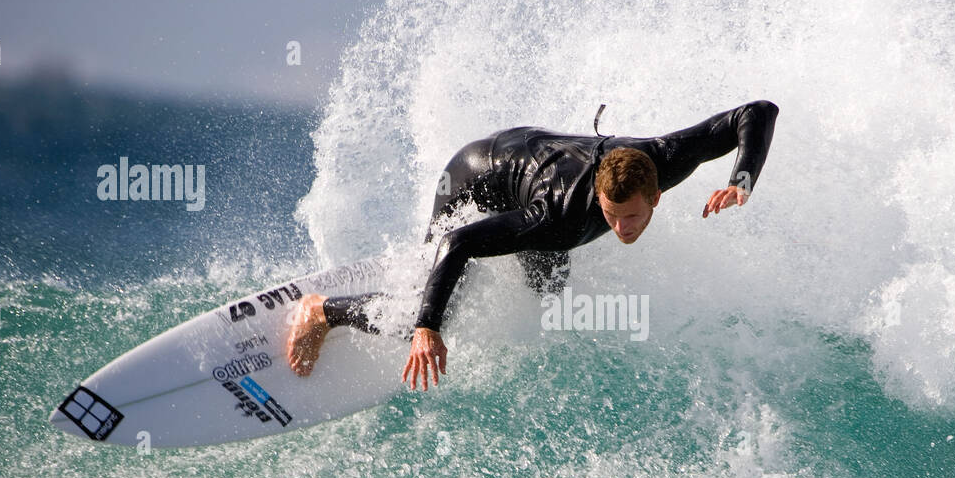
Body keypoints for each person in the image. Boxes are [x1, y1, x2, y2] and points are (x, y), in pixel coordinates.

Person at [287, 100, 779, 388]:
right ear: (600, 200)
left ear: (656, 195)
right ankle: (323, 313)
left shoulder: (664, 159)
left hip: (533, 158)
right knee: (436, 306)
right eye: (612, 216)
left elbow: (757, 112)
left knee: (549, 286)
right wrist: (426, 327)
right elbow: (459, 241)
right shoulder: (557, 219)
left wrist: (743, 179)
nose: (623, 229)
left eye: (631, 217)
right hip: (474, 178)